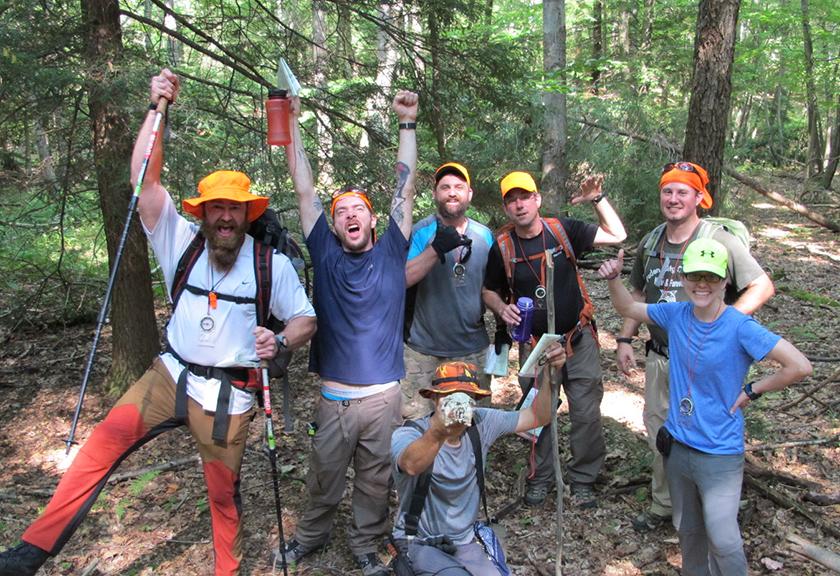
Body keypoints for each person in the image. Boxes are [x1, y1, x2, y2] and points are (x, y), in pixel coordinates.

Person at [0, 69, 317, 576]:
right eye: (217, 208)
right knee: (102, 444)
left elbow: (305, 320)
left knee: (222, 496)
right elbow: (143, 180)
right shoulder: (179, 239)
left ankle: (226, 571)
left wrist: (278, 337)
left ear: (247, 213)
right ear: (204, 211)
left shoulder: (268, 263)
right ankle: (31, 551)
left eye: (234, 209)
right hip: (168, 376)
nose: (225, 219)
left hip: (227, 395)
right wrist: (157, 108)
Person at [599, 239, 811, 576]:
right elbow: (628, 308)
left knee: (724, 539)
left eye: (711, 277)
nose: (702, 285)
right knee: (687, 529)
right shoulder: (676, 313)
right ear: (683, 278)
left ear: (725, 281)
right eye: (695, 276)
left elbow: (799, 365)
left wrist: (753, 390)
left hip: (719, 452)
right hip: (679, 445)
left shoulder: (739, 326)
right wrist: (613, 278)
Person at [276, 90, 418, 576]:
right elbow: (303, 190)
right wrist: (292, 124)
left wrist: (407, 123)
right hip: (334, 398)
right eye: (341, 212)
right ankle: (309, 538)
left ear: (373, 220)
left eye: (358, 209)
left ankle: (364, 544)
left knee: (376, 480)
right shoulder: (326, 253)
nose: (350, 215)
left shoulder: (392, 250)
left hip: (383, 398)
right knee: (324, 475)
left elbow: (406, 187)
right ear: (333, 226)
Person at [614, 161, 775, 532]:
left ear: (699, 197)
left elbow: (762, 286)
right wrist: (625, 338)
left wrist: (727, 325)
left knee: (709, 431)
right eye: (667, 191)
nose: (673, 199)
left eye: (682, 192)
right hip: (661, 355)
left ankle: (711, 512)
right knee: (660, 430)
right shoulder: (651, 240)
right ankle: (664, 505)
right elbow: (637, 294)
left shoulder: (719, 239)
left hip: (709, 361)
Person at [483, 170, 626, 508]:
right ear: (506, 208)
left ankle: (583, 480)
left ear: (537, 200)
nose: (519, 205)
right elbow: (488, 290)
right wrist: (501, 308)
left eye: (524, 197)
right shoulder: (502, 245)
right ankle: (541, 478)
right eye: (511, 200)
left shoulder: (562, 230)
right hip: (535, 344)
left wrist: (597, 200)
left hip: (578, 338)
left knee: (587, 411)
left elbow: (617, 234)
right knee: (537, 412)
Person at [391, 350, 565, 576]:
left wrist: (550, 376)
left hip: (464, 541)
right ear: (434, 399)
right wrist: (439, 432)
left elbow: (538, 417)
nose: (458, 406)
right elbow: (411, 465)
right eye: (449, 397)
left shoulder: (482, 422)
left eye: (465, 398)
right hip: (418, 540)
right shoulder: (409, 433)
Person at [402, 162, 496, 418]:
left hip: (471, 349)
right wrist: (435, 249)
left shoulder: (485, 236)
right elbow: (403, 279)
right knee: (416, 426)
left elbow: (494, 288)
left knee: (467, 424)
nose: (452, 193)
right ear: (435, 194)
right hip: (422, 350)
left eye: (458, 187)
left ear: (469, 194)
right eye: (445, 187)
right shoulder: (421, 233)